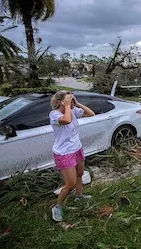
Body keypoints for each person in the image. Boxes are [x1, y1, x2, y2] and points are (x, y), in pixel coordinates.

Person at [49, 91, 95, 222]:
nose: (71, 101)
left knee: (80, 174)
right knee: (70, 184)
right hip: (64, 153)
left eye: (71, 99)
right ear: (59, 102)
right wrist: (68, 105)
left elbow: (91, 113)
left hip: (77, 148)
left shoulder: (73, 110)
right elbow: (67, 120)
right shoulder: (54, 115)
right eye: (68, 99)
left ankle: (79, 196)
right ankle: (57, 207)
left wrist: (77, 103)